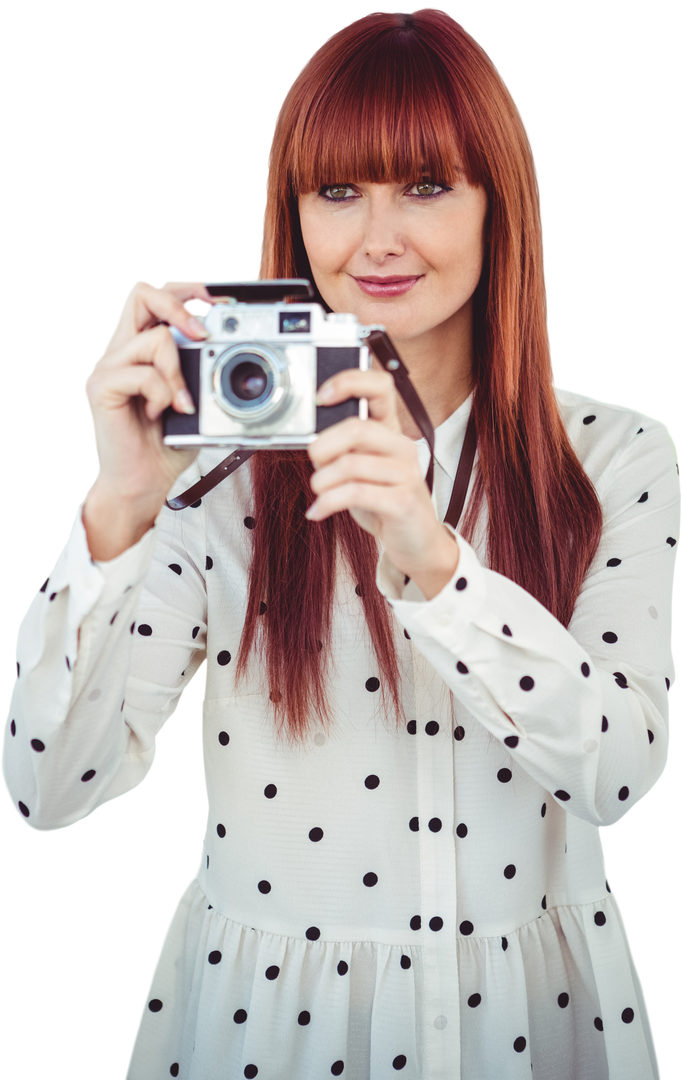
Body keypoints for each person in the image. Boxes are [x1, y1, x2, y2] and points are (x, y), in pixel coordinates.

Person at [1, 6, 677, 1078]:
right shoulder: (211, 474)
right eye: (336, 191)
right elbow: (50, 794)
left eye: (425, 185)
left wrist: (435, 561)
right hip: (260, 1029)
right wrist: (119, 504)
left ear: (498, 202)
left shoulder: (616, 455)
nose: (377, 240)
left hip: (537, 1019)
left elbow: (621, 775)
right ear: (292, 214)